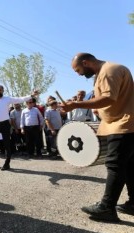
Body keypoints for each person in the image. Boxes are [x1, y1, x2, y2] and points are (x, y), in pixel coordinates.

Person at [61, 53, 134, 222]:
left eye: (78, 69)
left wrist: (75, 104)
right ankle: (132, 204)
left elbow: (108, 98)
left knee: (115, 165)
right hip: (124, 123)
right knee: (129, 166)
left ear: (86, 62)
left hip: (122, 124)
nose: (78, 74)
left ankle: (107, 208)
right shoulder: (106, 71)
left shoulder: (109, 70)